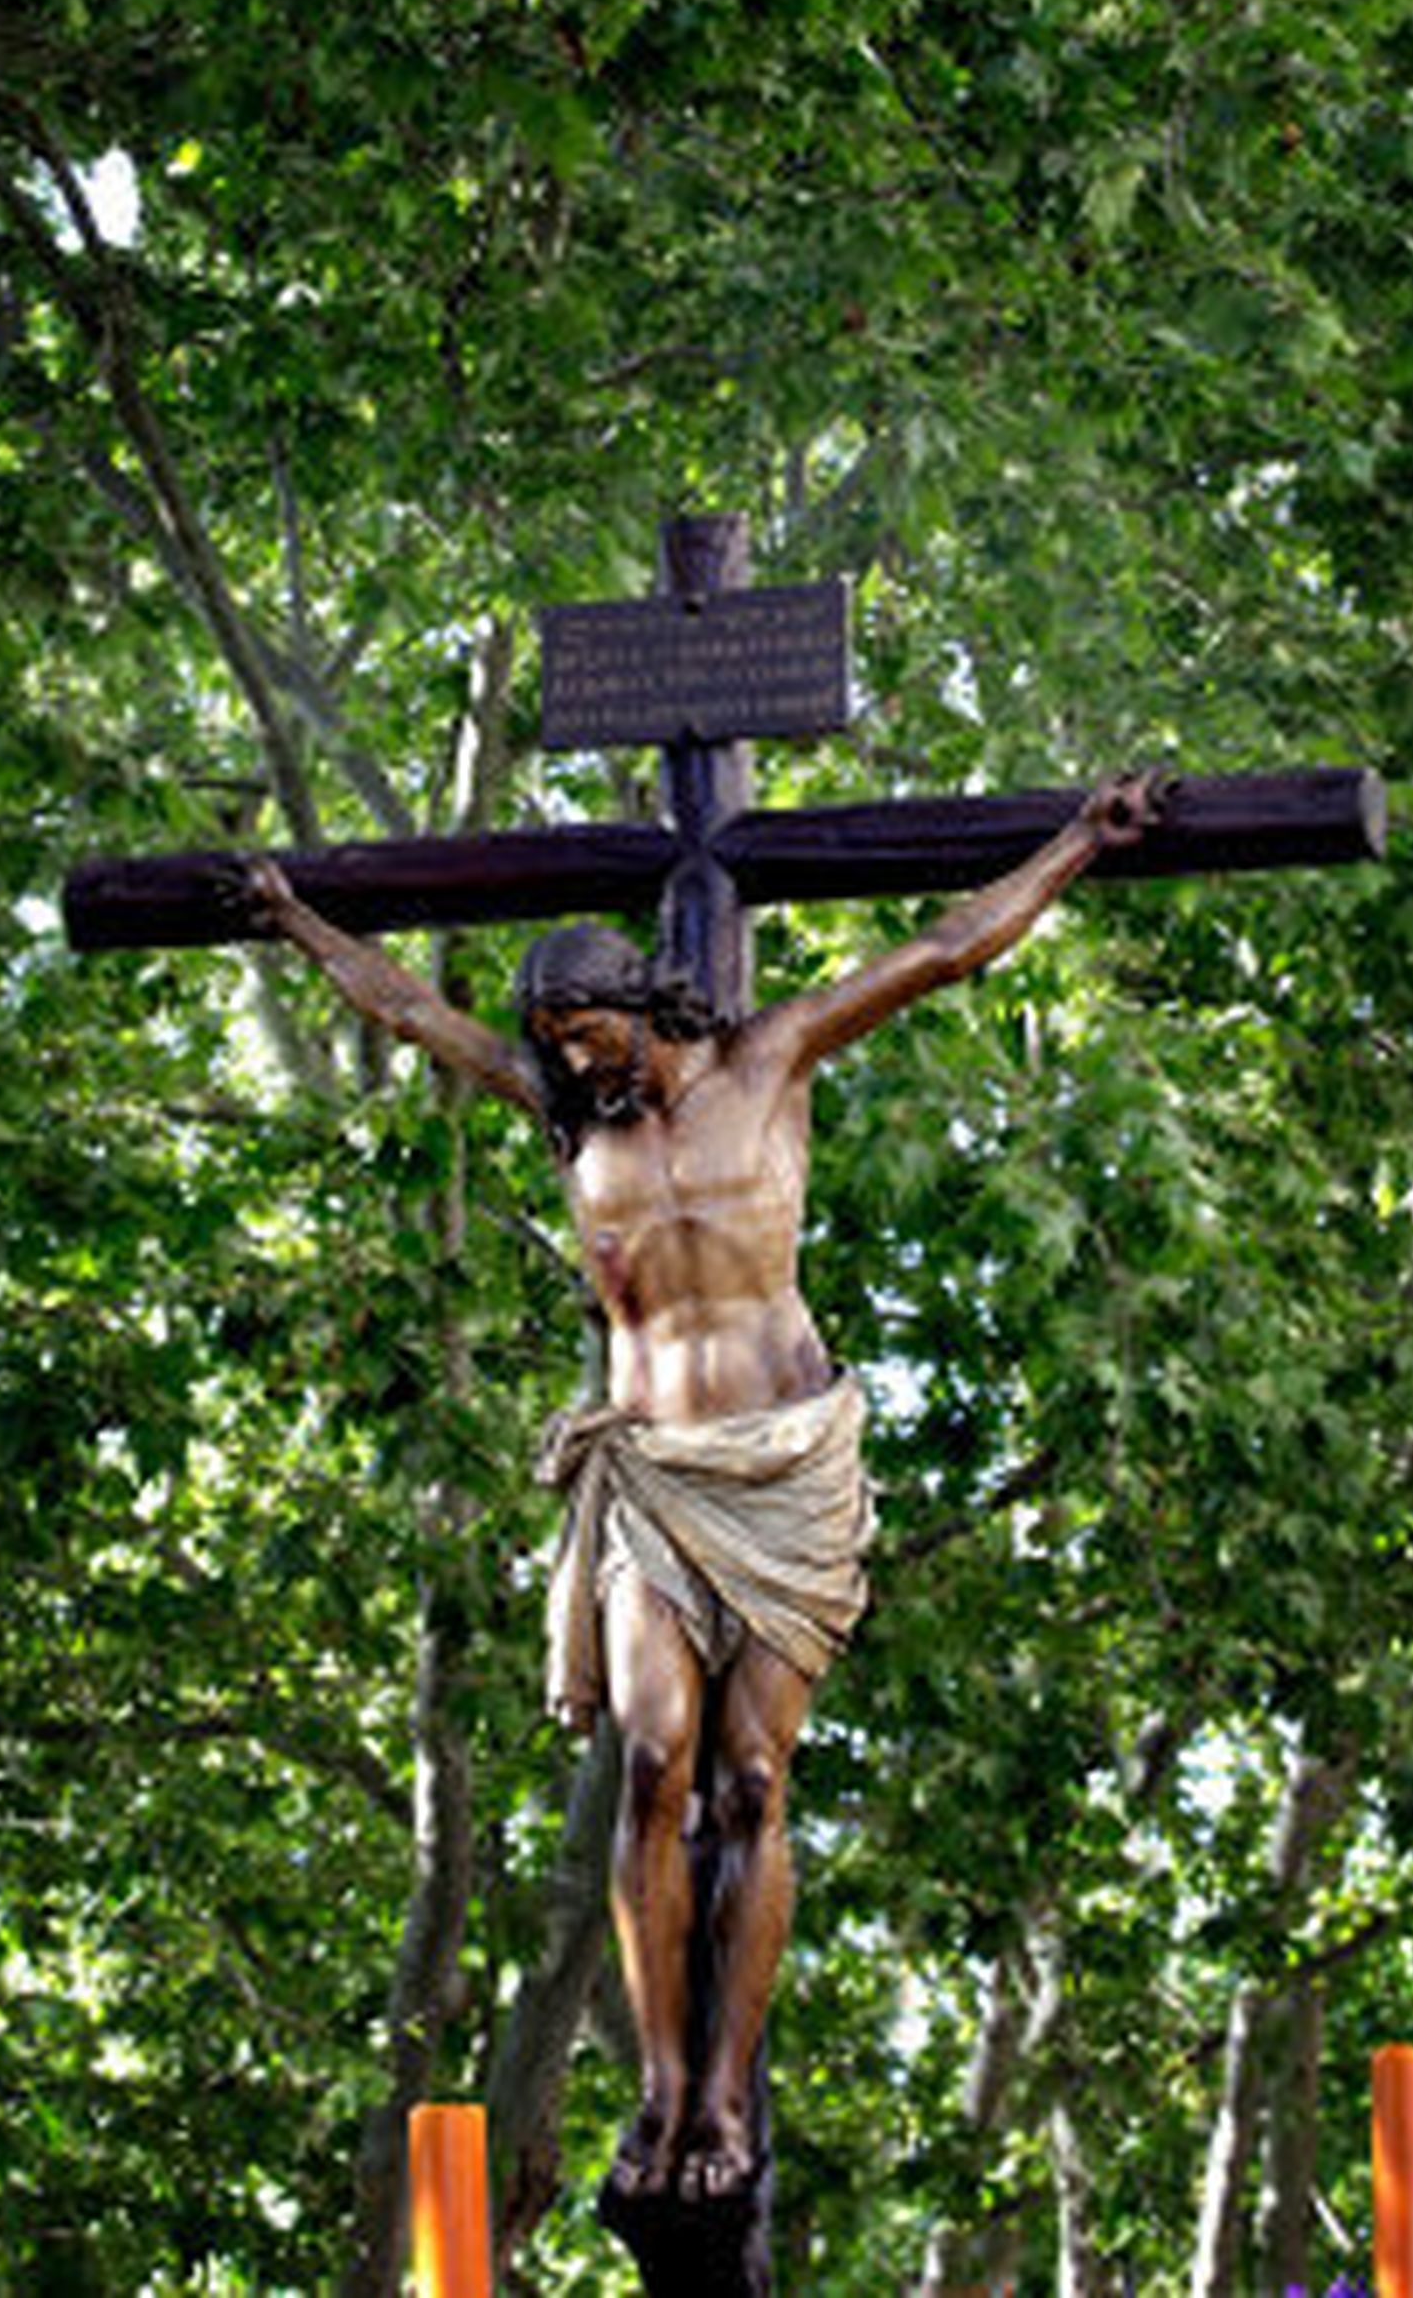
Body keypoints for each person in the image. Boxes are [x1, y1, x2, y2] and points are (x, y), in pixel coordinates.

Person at [247, 771, 1155, 2202]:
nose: (568, 1055)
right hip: (654, 1481)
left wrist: (1078, 846)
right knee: (653, 1766)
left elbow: (943, 950)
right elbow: (415, 1013)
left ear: (643, 1001)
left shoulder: (769, 1061)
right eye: (550, 1038)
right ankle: (661, 2087)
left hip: (786, 1466)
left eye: (586, 1027)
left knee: (748, 1777)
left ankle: (727, 2092)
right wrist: (298, 921)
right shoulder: (568, 1119)